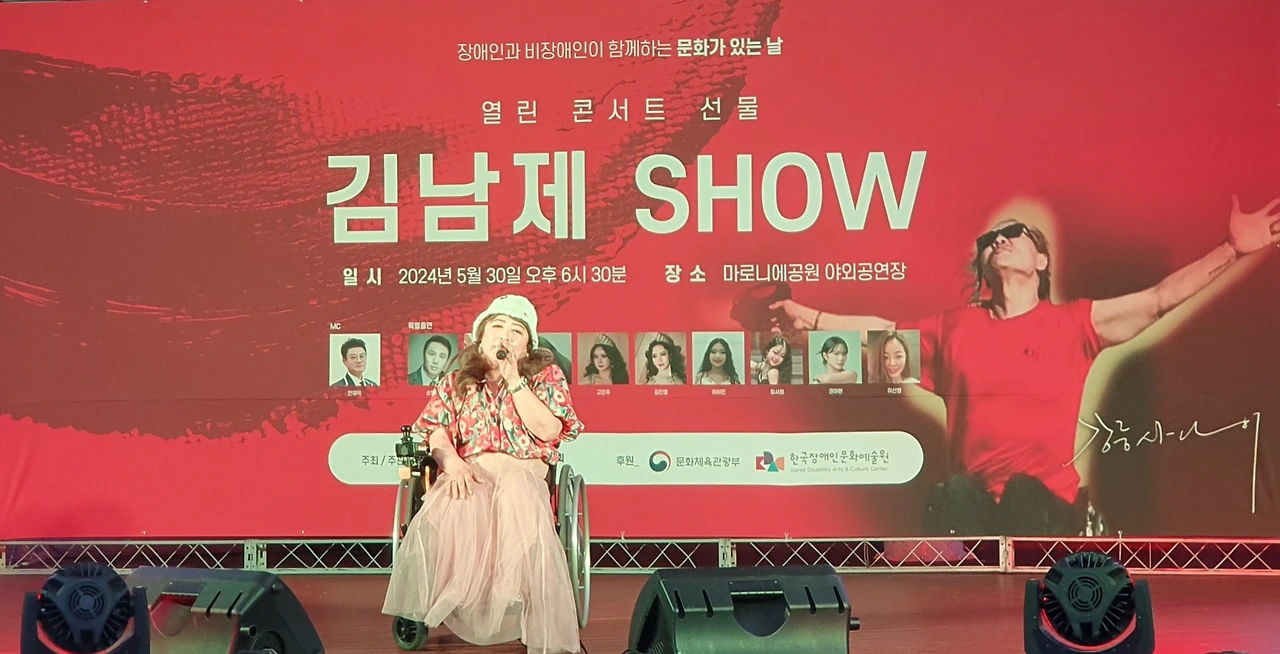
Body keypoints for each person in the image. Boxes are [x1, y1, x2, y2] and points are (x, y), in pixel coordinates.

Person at [768, 195, 1280, 536]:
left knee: (1023, 496)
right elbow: (880, 333)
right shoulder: (954, 328)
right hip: (972, 515)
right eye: (991, 239)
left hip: (1045, 512)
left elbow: (1159, 299)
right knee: (957, 494)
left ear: (1041, 261)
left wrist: (1232, 249)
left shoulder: (1073, 324)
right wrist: (809, 318)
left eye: (1015, 233)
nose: (999, 240)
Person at [382, 294, 584, 654]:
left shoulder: (545, 377)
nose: (504, 335)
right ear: (481, 337)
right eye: (497, 327)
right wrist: (452, 463)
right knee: (459, 497)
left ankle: (523, 605)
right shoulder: (456, 381)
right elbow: (436, 432)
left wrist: (514, 380)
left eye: (516, 330)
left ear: (528, 344)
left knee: (517, 495)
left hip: (523, 472)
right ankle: (450, 597)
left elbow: (550, 430)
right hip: (470, 471)